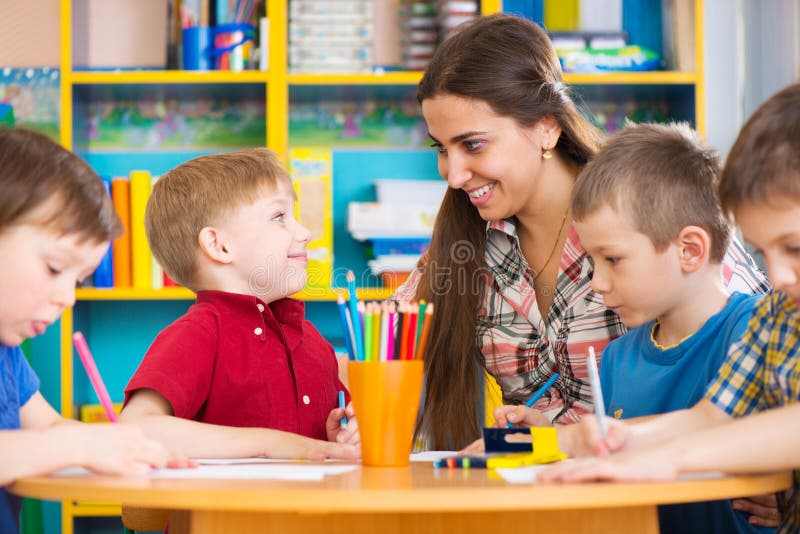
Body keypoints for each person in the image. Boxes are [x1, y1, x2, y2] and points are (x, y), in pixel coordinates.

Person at [394, 12, 768, 450]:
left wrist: (757, 463)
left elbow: (762, 354)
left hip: (667, 484)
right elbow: (388, 343)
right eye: (442, 148)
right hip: (544, 492)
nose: (453, 175)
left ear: (547, 127)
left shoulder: (643, 203)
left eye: (473, 144)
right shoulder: (465, 235)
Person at [538, 82, 800, 534]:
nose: (777, 276)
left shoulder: (747, 318)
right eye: (761, 254)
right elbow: (711, 416)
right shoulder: (779, 315)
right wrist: (626, 438)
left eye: (794, 247)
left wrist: (663, 459)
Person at [0, 128, 184, 534]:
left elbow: (46, 426)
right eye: (54, 268)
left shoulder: (6, 351)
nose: (68, 298)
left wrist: (130, 446)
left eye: (79, 280)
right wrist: (80, 446)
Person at [120, 148, 359, 460]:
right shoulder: (198, 335)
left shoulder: (313, 342)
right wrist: (269, 443)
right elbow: (135, 430)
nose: (305, 232)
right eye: (279, 217)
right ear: (219, 245)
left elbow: (322, 446)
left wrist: (342, 437)